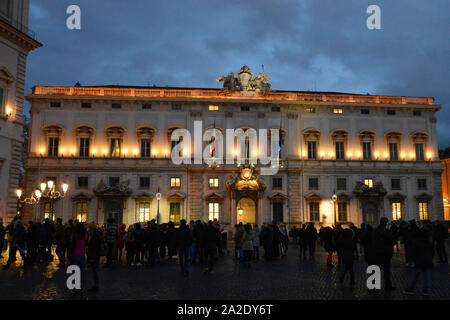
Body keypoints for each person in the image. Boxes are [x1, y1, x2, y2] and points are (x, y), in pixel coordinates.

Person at [404, 223, 434, 296]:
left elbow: (414, 252)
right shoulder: (429, 241)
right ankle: (426, 290)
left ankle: (411, 289)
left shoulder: (417, 241)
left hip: (419, 260)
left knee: (416, 275)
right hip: (427, 260)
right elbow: (432, 252)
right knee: (427, 275)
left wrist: (413, 259)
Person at [373, 217, 396, 291]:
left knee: (377, 269)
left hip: (377, 252)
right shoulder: (386, 231)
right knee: (386, 270)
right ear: (385, 223)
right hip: (386, 253)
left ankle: (372, 285)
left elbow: (372, 241)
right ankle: (388, 286)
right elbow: (392, 241)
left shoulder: (375, 231)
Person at [70, 223, 88, 294]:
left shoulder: (74, 235)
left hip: (75, 254)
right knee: (82, 272)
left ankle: (74, 288)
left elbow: (72, 245)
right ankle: (80, 287)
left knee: (74, 272)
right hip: (82, 255)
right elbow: (86, 243)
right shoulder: (85, 235)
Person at [87, 222, 103, 292]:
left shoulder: (94, 235)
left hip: (94, 255)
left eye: (89, 228)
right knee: (95, 270)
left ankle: (96, 286)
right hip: (96, 254)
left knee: (95, 271)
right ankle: (96, 285)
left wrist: (92, 257)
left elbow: (94, 247)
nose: (88, 229)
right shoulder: (97, 233)